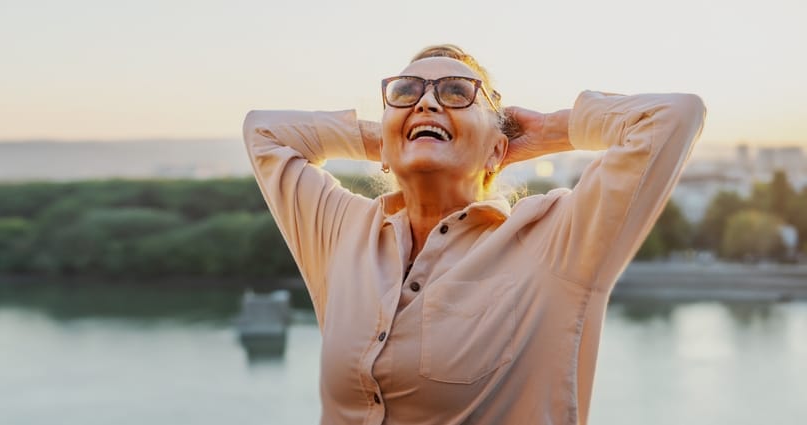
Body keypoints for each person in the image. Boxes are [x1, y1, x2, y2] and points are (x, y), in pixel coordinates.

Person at [242, 44, 706, 424]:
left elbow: (674, 117)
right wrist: (392, 134)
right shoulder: (343, 235)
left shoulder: (555, 243)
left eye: (457, 92)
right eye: (405, 92)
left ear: (497, 151)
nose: (427, 101)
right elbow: (263, 132)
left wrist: (552, 131)